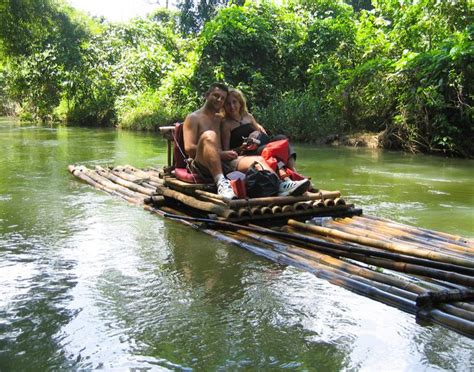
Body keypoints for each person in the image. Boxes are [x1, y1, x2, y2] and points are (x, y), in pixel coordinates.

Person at [183, 83, 309, 200]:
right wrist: (220, 154)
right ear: (207, 95)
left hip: (225, 160)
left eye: (222, 98)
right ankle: (221, 182)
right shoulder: (193, 118)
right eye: (216, 96)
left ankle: (281, 184)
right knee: (209, 135)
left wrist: (256, 131)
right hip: (201, 162)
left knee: (259, 160)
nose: (219, 100)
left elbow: (240, 120)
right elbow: (189, 148)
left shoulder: (220, 119)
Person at [221, 88, 297, 171]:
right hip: (248, 152)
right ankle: (282, 172)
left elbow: (262, 133)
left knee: (282, 138)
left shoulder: (248, 116)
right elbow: (227, 151)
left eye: (234, 102)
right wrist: (241, 148)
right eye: (228, 104)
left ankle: (293, 170)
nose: (232, 106)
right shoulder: (226, 124)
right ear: (224, 106)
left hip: (261, 142)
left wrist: (256, 132)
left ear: (240, 103)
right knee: (271, 148)